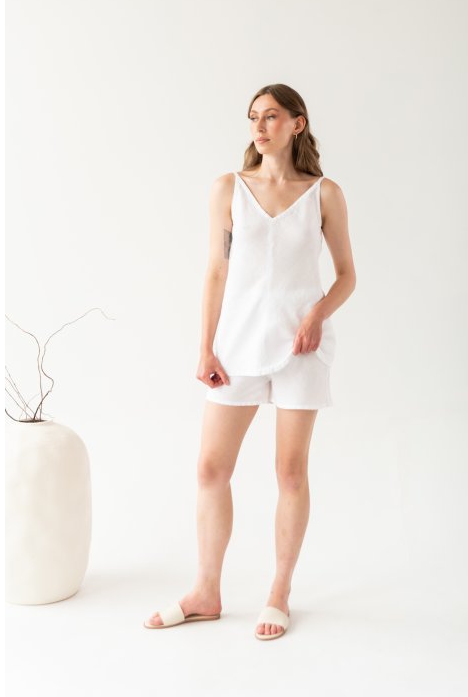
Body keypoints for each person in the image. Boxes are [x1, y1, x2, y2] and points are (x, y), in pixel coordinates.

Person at [143, 84, 357, 640]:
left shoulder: (324, 194)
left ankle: (278, 593)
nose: (259, 127)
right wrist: (205, 347)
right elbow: (216, 271)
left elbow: (346, 276)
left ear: (297, 123)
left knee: (290, 472)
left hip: (301, 348)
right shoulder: (228, 189)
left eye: (271, 116)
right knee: (210, 469)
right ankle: (205, 591)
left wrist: (315, 316)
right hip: (236, 345)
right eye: (253, 118)